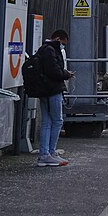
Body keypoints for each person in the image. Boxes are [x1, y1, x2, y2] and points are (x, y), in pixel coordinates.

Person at [36, 29, 74, 167]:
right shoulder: (51, 50)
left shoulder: (42, 49)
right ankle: (50, 153)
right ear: (58, 39)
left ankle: (44, 154)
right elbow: (54, 71)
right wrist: (66, 74)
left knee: (46, 122)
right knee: (57, 121)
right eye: (63, 43)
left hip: (43, 90)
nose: (63, 46)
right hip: (52, 90)